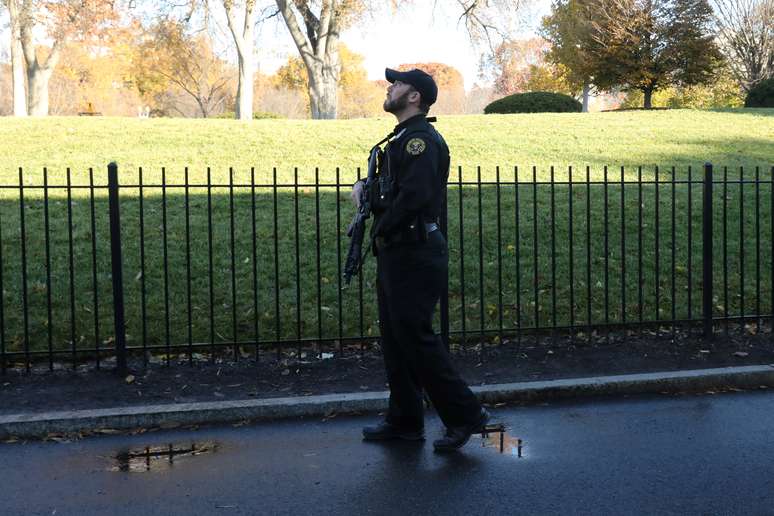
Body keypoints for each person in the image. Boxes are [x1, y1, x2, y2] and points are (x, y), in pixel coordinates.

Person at [352, 68, 489, 452]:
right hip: (399, 250)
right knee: (397, 340)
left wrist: (370, 204)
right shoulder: (402, 139)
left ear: (414, 97)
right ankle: (405, 421)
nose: (389, 88)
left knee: (417, 338)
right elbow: (395, 190)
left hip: (415, 251)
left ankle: (466, 416)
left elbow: (414, 198)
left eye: (396, 84)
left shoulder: (421, 142)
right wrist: (370, 190)